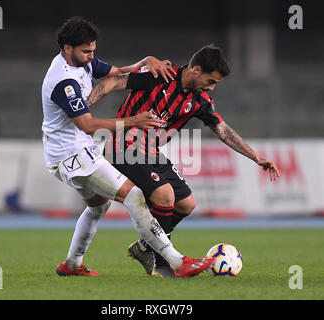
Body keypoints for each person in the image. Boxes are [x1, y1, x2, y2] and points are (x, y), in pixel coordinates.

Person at [85, 44, 281, 277]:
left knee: (186, 204)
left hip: (151, 152)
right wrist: (83, 110)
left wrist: (256, 157)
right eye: (211, 81)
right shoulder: (159, 75)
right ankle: (162, 261)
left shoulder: (200, 101)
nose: (212, 87)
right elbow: (115, 82)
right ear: (196, 70)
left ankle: (145, 246)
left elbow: (222, 130)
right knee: (165, 195)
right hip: (123, 146)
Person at [41, 16, 216, 278]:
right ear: (67, 49)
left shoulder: (82, 60)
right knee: (133, 195)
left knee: (98, 206)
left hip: (74, 151)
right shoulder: (62, 82)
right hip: (71, 155)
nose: (91, 56)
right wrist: (133, 121)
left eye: (93, 50)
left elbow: (116, 72)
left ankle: (72, 265)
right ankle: (177, 262)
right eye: (86, 51)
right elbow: (87, 125)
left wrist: (144, 62)